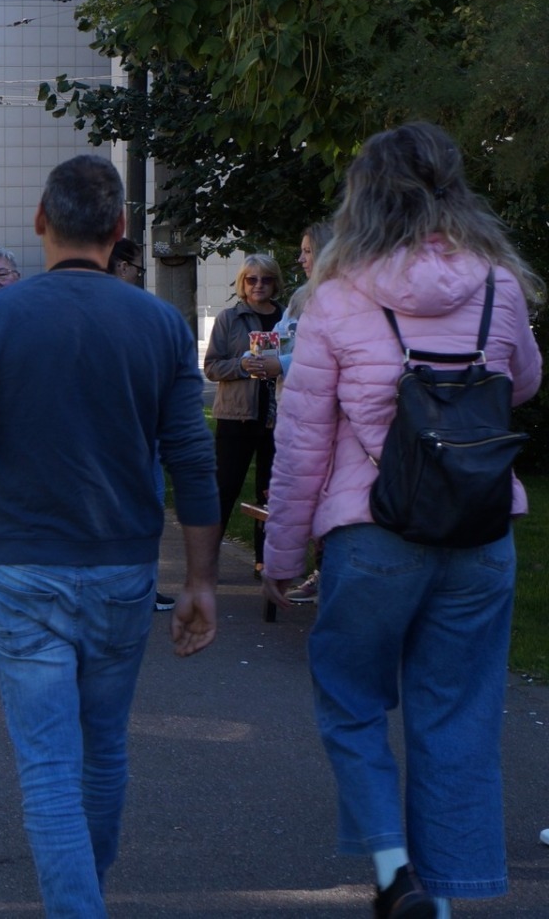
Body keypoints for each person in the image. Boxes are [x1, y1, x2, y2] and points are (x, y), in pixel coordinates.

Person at [0, 154, 219, 918]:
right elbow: (193, 461)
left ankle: (77, 903)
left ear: (39, 221)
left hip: (22, 567)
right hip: (123, 568)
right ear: (119, 229)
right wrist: (200, 582)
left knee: (50, 769)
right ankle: (85, 891)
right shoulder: (160, 324)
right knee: (105, 748)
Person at [263, 122, 542, 919]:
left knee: (349, 697)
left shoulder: (337, 295)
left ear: (364, 194)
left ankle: (393, 871)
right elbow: (521, 384)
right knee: (457, 716)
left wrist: (283, 552)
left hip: (374, 530)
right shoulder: (497, 283)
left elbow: (304, 438)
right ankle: (444, 903)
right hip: (482, 529)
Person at [104, 236, 177, 612]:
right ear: (122, 268)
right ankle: (136, 588)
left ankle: (124, 586)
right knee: (143, 509)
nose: (138, 276)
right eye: (138, 268)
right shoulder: (135, 312)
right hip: (134, 430)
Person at [202, 253, 285, 577]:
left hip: (276, 416)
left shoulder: (286, 316)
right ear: (242, 282)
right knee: (225, 487)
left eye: (265, 279)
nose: (259, 285)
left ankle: (264, 560)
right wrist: (241, 365)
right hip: (236, 415)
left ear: (275, 282)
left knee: (270, 491)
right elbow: (211, 366)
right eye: (252, 279)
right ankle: (206, 560)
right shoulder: (229, 318)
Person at [275, 220, 335, 603]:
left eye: (308, 250)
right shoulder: (301, 297)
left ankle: (325, 574)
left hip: (322, 416)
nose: (300, 258)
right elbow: (285, 340)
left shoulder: (343, 301)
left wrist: (279, 365)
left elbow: (320, 362)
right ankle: (319, 571)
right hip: (292, 406)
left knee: (321, 493)